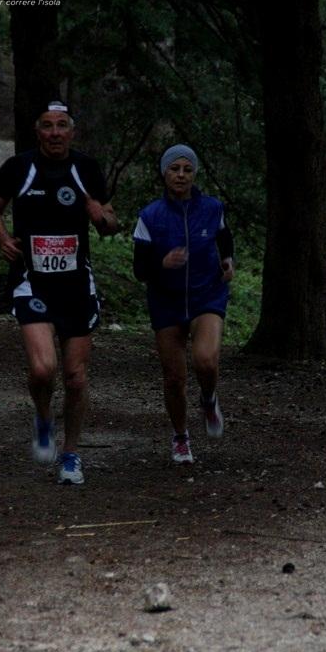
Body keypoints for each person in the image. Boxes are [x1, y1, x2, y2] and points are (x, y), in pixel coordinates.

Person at [0, 100, 118, 485]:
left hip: (76, 285)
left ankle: (71, 455)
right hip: (32, 282)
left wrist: (101, 218)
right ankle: (44, 418)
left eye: (62, 125)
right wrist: (3, 239)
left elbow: (111, 223)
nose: (55, 133)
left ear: (72, 131)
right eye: (48, 125)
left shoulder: (86, 168)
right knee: (43, 369)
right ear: (37, 131)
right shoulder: (18, 168)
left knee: (75, 377)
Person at [133, 144, 234, 464]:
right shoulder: (150, 216)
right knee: (174, 377)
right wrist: (161, 263)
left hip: (207, 294)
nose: (181, 175)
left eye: (187, 169)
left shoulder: (212, 208)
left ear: (194, 174)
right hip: (166, 300)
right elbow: (139, 269)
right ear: (164, 173)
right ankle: (180, 437)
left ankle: (208, 398)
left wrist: (228, 260)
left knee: (205, 360)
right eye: (174, 169)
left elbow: (224, 237)